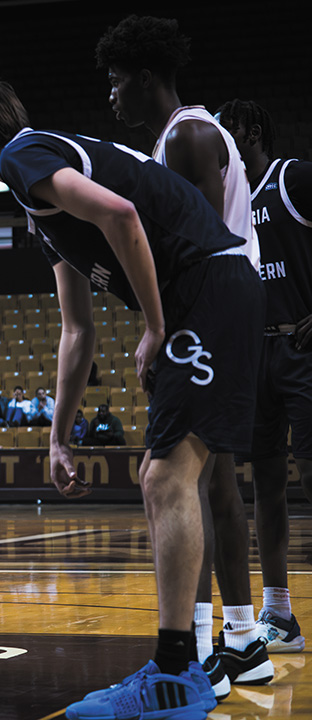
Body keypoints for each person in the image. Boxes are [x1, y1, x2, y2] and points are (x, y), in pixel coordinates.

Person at [0, 77, 265, 719]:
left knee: (168, 478)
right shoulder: (42, 196)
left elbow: (121, 214)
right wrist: (59, 436)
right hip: (216, 287)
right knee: (165, 476)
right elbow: (77, 329)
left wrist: (153, 323)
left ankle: (178, 674)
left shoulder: (23, 156)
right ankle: (186, 666)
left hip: (208, 283)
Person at [97, 15, 270, 695]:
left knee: (182, 482)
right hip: (225, 309)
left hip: (212, 308)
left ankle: (196, 651)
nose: (111, 95)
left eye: (116, 81)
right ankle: (244, 639)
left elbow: (190, 245)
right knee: (214, 481)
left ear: (144, 77)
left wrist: (156, 327)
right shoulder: (182, 136)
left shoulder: (191, 135)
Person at [217, 98, 310, 654]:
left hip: (301, 348)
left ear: (251, 133)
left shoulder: (292, 179)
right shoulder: (227, 201)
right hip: (257, 357)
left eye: (228, 132)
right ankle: (280, 615)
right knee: (267, 486)